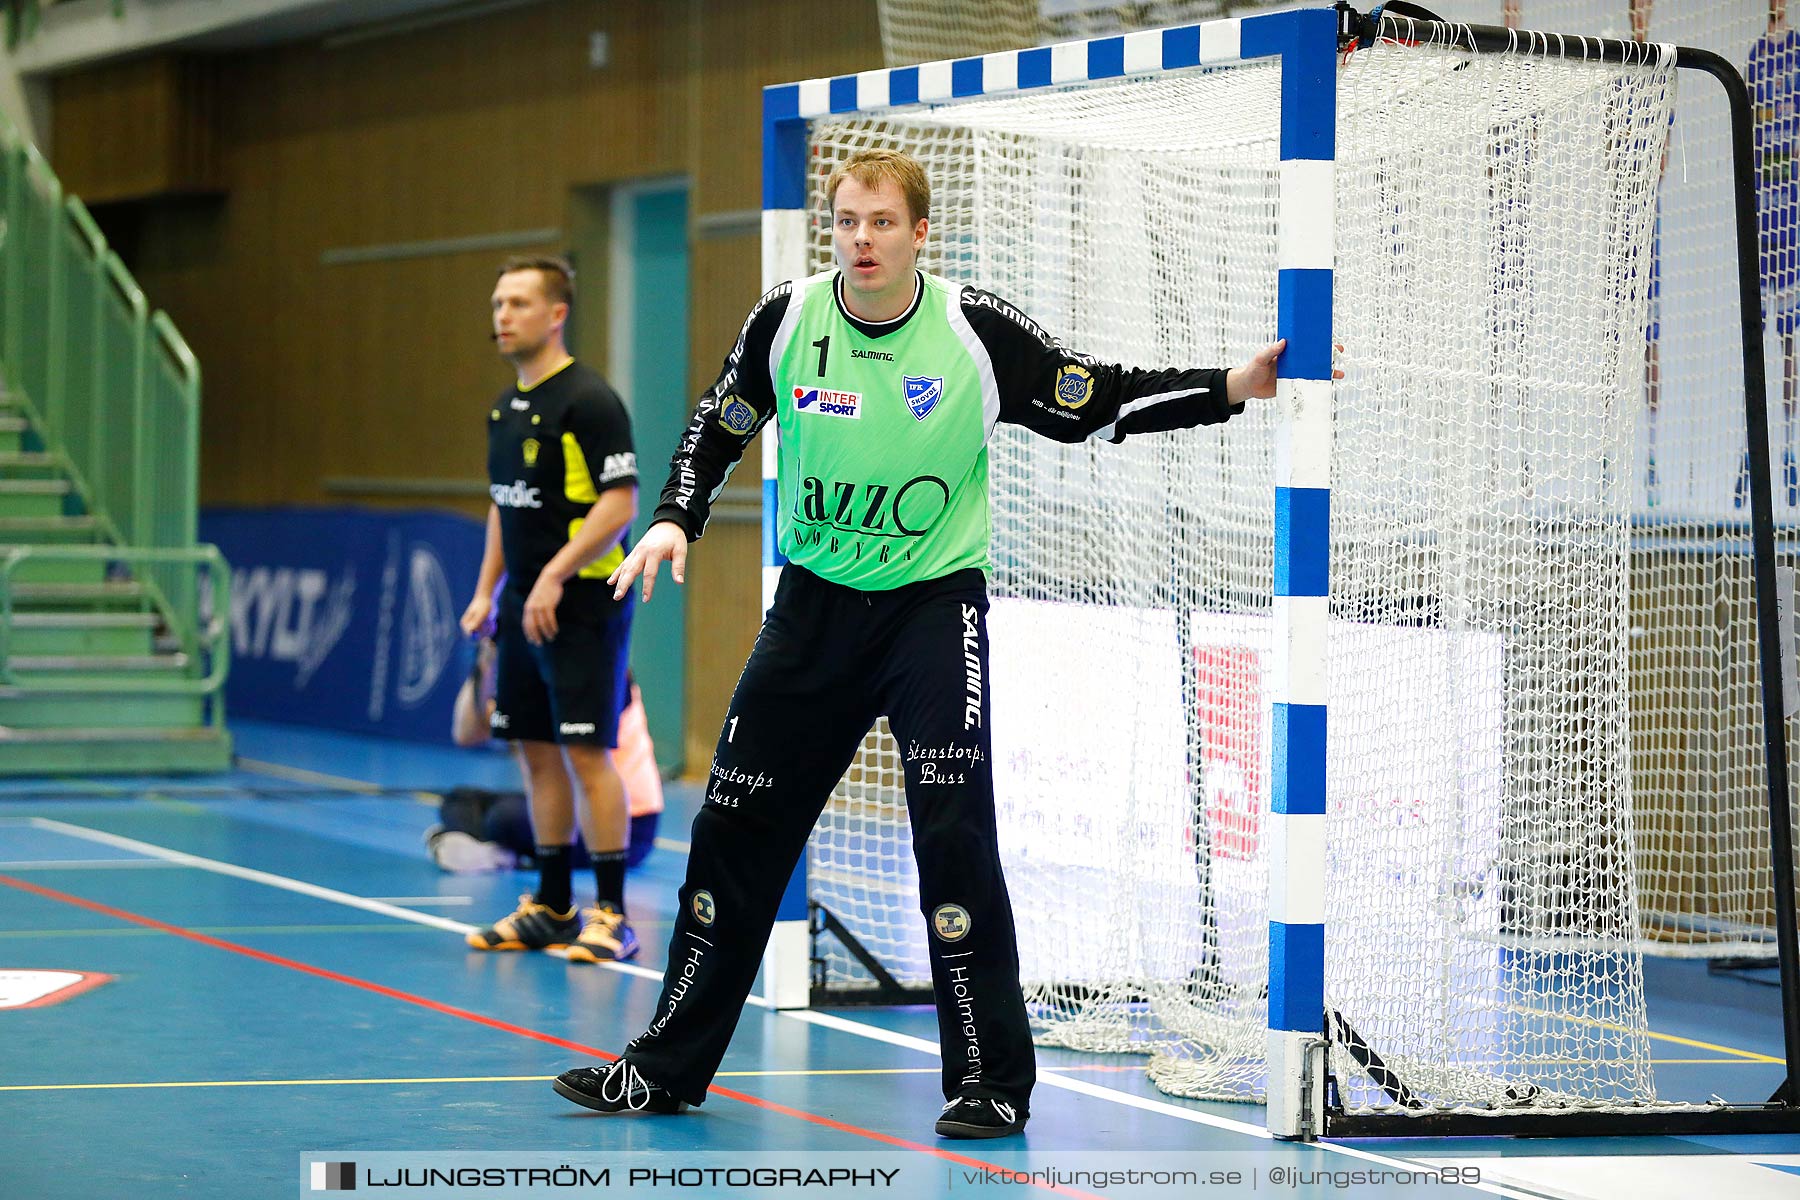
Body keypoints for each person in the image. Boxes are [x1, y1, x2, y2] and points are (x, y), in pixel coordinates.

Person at [547, 149, 1284, 1138]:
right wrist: (676, 514)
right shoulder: (787, 319)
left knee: (952, 836)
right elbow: (717, 425)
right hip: (811, 611)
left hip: (933, 614)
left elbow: (1095, 401)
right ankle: (665, 1067)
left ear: (919, 233)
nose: (862, 240)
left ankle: (987, 1080)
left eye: (883, 223)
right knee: (732, 831)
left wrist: (1229, 385)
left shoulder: (974, 332)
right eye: (848, 221)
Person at [457, 255, 642, 964]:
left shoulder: (589, 401)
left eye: (518, 303)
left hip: (583, 604)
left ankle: (612, 915)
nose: (502, 316)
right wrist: (486, 591)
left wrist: (555, 578)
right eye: (498, 303)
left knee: (587, 755)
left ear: (556, 313)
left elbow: (619, 504)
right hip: (523, 609)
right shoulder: (505, 408)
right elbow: (504, 508)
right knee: (534, 754)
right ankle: (553, 905)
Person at [431, 611, 663, 872]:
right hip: (567, 808)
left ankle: (500, 852)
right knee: (459, 801)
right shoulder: (531, 676)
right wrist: (486, 662)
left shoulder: (600, 673)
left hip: (630, 826)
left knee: (503, 818)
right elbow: (466, 733)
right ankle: (497, 849)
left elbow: (558, 755)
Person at [1746, 0, 1800, 509]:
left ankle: (1789, 447)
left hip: (1792, 218)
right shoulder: (1756, 54)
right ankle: (1752, 446)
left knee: (1790, 339)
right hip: (1764, 209)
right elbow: (1756, 124)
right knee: (1757, 334)